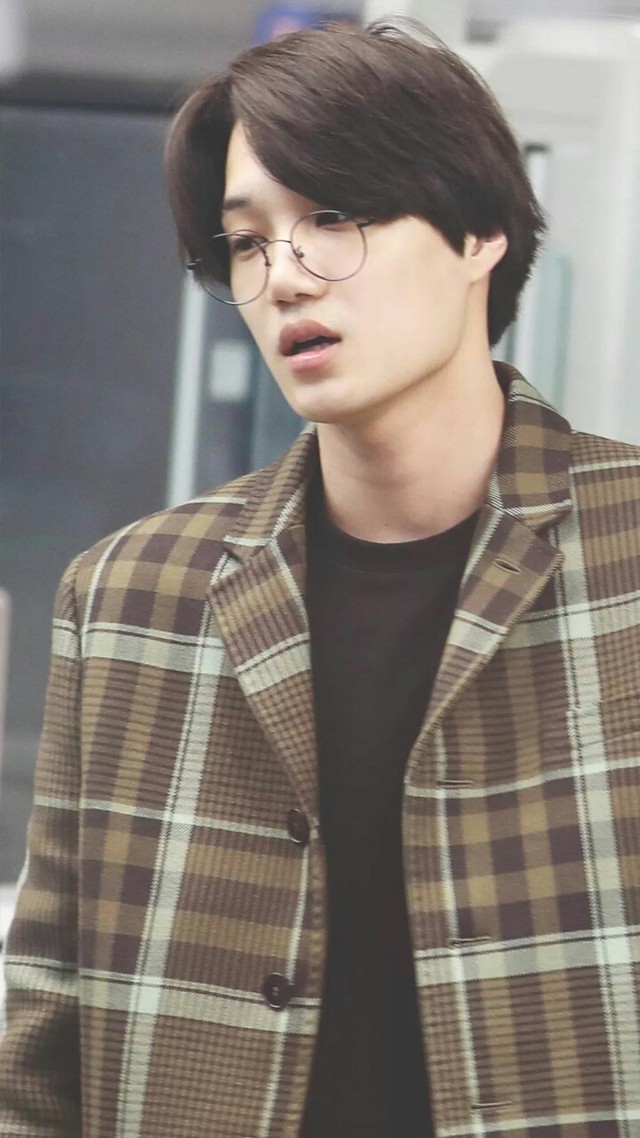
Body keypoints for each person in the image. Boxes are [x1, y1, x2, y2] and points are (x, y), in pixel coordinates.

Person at [1, 18, 639, 1138]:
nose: (284, 277)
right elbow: (40, 1055)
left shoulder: (621, 554)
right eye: (247, 242)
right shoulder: (130, 597)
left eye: (335, 217)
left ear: (479, 232)